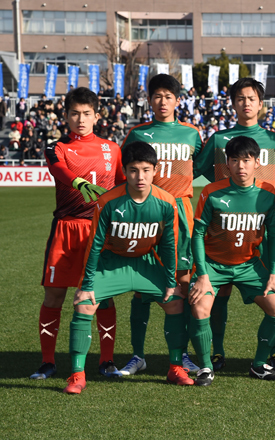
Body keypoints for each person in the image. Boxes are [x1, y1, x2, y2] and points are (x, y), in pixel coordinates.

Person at [62, 141, 192, 394]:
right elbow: (94, 244)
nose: (139, 176)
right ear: (125, 171)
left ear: (156, 170)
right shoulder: (109, 201)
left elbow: (168, 245)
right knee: (84, 303)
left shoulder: (167, 202)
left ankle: (176, 367)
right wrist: (85, 285)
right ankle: (77, 374)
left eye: (145, 169)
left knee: (176, 301)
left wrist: (169, 281)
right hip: (112, 262)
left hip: (146, 261)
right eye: (133, 170)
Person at [196, 77, 275, 373]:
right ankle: (216, 353)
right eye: (240, 98)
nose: (246, 103)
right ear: (233, 103)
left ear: (261, 104)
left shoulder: (274, 140)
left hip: (261, 230)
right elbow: (193, 171)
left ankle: (272, 354)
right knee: (219, 293)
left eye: (251, 98)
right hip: (222, 227)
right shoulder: (219, 139)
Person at [30, 87, 125, 381]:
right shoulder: (55, 147)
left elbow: (122, 185)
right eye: (74, 113)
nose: (80, 119)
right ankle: (48, 362)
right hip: (66, 229)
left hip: (100, 231)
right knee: (54, 295)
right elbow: (58, 169)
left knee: (104, 298)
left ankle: (107, 361)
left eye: (86, 114)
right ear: (66, 116)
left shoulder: (112, 148)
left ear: (97, 115)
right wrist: (80, 182)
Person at [119, 74, 205, 376]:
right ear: (149, 100)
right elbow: (123, 175)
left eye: (169, 96)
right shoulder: (137, 134)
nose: (163, 101)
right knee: (142, 287)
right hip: (146, 214)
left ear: (178, 100)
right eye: (157, 95)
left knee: (183, 283)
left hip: (180, 213)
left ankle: (181, 355)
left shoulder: (192, 134)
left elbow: (204, 167)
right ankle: (137, 355)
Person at [187, 136, 275, 385]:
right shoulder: (211, 192)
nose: (241, 166)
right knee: (200, 308)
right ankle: (205, 368)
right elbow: (197, 234)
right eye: (234, 161)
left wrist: (273, 274)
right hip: (212, 265)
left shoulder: (267, 192)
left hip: (249, 265)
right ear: (227, 164)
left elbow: (274, 235)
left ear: (257, 162)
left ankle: (259, 364)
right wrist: (202, 274)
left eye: (246, 160)